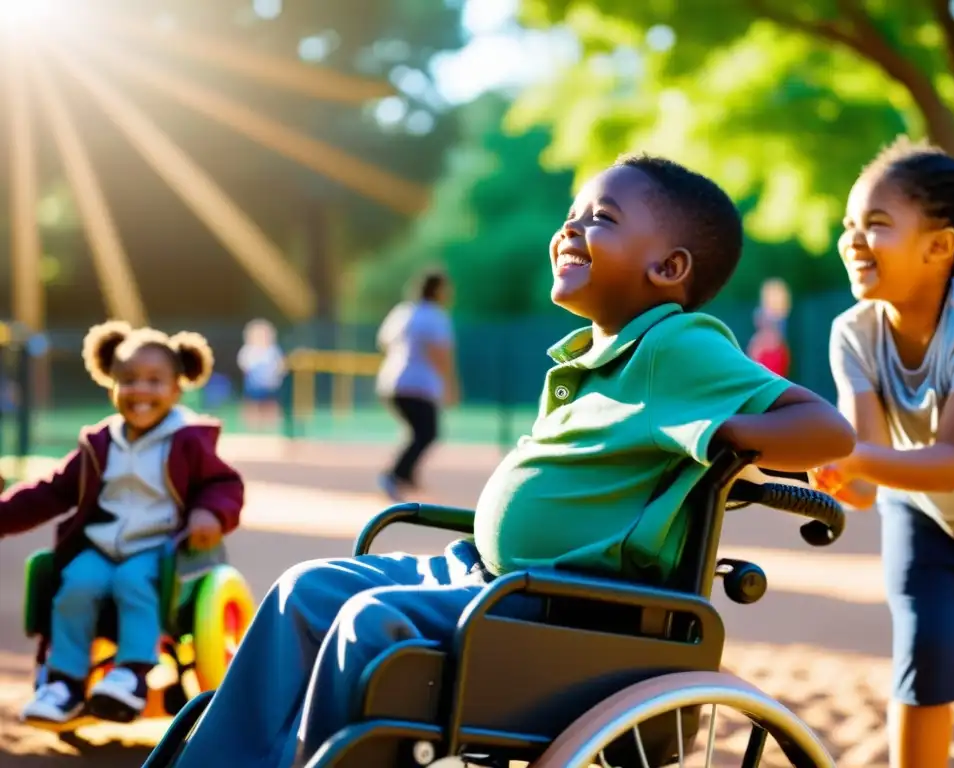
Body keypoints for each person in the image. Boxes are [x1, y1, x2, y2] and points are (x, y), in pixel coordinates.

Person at [166, 154, 855, 768]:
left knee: (370, 622)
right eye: (572, 215)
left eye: (602, 218)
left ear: (669, 268)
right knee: (304, 589)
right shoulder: (592, 359)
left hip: (557, 607)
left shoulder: (678, 346)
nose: (571, 229)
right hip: (484, 577)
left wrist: (721, 431)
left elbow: (827, 430)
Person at [808, 137, 954, 768]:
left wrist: (854, 461)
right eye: (849, 225)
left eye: (876, 225)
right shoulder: (852, 332)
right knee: (925, 648)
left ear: (940, 247)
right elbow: (869, 472)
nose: (853, 239)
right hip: (924, 517)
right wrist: (838, 477)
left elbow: (953, 457)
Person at [0, 321, 245, 726]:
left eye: (155, 381)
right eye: (128, 379)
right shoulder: (100, 444)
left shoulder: (188, 440)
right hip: (102, 545)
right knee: (74, 584)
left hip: (162, 548)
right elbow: (52, 491)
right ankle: (64, 683)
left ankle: (131, 674)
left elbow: (223, 484)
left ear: (177, 388)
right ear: (110, 382)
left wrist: (209, 513)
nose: (141, 391)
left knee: (134, 582)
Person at [375, 270, 458, 500]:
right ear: (438, 290)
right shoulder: (436, 316)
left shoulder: (403, 312)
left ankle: (406, 475)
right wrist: (450, 384)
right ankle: (394, 475)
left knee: (419, 432)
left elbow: (383, 341)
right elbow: (440, 354)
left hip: (391, 382)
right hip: (417, 386)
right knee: (427, 433)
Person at [237, 318, 286, 429]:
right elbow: (244, 365)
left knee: (270, 403)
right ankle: (252, 424)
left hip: (270, 384)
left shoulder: (273, 350)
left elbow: (280, 364)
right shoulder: (249, 350)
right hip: (254, 383)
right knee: (252, 403)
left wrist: (277, 374)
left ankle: (270, 424)